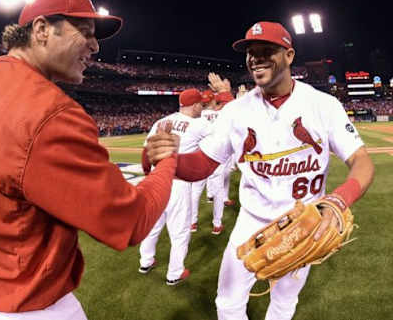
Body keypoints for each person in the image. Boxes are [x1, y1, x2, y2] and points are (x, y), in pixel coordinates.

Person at [0, 0, 179, 320]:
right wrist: (166, 163)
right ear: (40, 30)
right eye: (85, 32)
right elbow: (130, 221)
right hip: (32, 300)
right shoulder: (48, 112)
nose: (96, 45)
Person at [175, 21, 375, 320]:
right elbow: (203, 163)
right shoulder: (235, 111)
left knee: (283, 303)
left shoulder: (323, 105)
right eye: (250, 52)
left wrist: (338, 199)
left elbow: (362, 162)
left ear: (289, 55)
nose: (255, 57)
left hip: (304, 223)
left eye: (266, 50)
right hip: (250, 222)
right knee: (228, 303)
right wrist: (168, 162)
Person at [139, 88, 211, 285]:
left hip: (155, 180)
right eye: (201, 105)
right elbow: (218, 144)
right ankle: (174, 273)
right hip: (177, 182)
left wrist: (149, 175)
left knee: (153, 225)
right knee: (179, 232)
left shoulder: (161, 122)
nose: (202, 108)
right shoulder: (200, 124)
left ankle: (146, 262)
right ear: (195, 105)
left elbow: (146, 153)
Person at [190, 88, 233, 235]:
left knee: (194, 192)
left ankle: (192, 223)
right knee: (219, 192)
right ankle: (217, 224)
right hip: (215, 160)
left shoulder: (196, 116)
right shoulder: (223, 115)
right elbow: (233, 107)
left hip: (197, 158)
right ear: (214, 101)